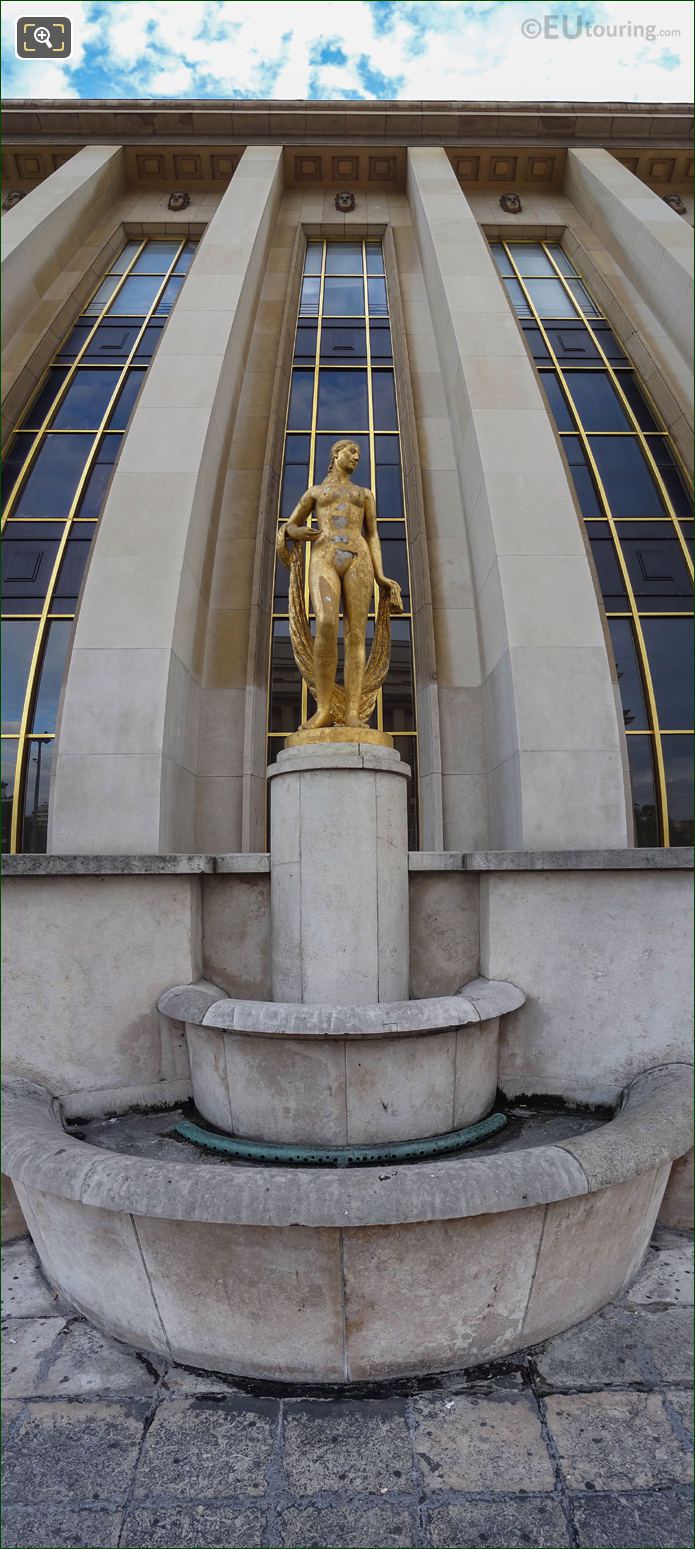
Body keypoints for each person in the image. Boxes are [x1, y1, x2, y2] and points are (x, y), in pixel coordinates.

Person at [284, 440, 402, 729]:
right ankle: (323, 709)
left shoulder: (364, 494)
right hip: (324, 556)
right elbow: (289, 525)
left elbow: (372, 534)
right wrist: (298, 531)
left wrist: (381, 575)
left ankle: (351, 713)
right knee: (325, 623)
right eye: (351, 452)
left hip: (358, 557)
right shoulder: (316, 492)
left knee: (356, 634)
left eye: (359, 455)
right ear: (335, 454)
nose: (356, 458)